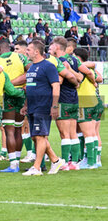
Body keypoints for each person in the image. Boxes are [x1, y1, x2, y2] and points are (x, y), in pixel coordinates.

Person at [21, 40, 65, 176]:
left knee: (40, 136)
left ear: (36, 51)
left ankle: (37, 167)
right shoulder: (32, 67)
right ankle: (55, 160)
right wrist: (26, 105)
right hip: (32, 106)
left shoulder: (48, 66)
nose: (26, 52)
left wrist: (55, 105)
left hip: (43, 106)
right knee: (35, 137)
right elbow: (30, 88)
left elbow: (56, 85)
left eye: (28, 49)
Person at [0, 40, 31, 173]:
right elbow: (31, 71)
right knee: (18, 129)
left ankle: (13, 164)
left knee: (8, 130)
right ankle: (16, 159)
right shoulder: (20, 57)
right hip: (22, 94)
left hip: (7, 96)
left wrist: (9, 83)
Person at [48, 37, 82, 170]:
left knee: (64, 134)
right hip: (74, 99)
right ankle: (74, 162)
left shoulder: (58, 62)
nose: (49, 49)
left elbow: (60, 81)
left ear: (57, 48)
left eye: (51, 47)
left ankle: (66, 163)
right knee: (73, 132)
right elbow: (80, 76)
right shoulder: (73, 59)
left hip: (62, 99)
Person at [73, 48, 100, 169]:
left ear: (77, 57)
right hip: (94, 100)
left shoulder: (78, 68)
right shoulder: (88, 68)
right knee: (93, 132)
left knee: (87, 133)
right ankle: (93, 160)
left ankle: (89, 161)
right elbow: (98, 77)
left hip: (83, 101)